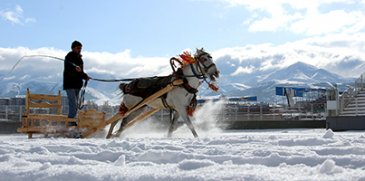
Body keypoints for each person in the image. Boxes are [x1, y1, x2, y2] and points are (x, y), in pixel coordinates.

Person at [63, 40, 90, 126]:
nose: (80, 49)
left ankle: (73, 120)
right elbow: (69, 70)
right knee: (73, 104)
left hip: (77, 85)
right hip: (70, 85)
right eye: (78, 48)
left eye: (80, 48)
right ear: (73, 48)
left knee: (76, 104)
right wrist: (75, 69)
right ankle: (71, 122)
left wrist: (85, 76)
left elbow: (81, 72)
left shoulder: (80, 59)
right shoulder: (69, 57)